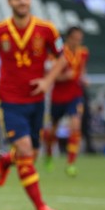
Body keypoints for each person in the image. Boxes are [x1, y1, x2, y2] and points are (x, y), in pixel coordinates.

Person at [0, 0, 68, 210]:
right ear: (9, 1)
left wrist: (47, 82)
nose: (22, 1)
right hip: (9, 99)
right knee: (24, 150)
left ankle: (5, 159)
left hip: (36, 101)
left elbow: (62, 59)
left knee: (30, 154)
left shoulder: (47, 30)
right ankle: (42, 208)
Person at [43, 26, 89, 176]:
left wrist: (83, 78)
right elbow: (50, 75)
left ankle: (70, 163)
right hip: (58, 96)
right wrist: (64, 77)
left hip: (75, 95)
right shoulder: (58, 53)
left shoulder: (83, 52)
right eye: (75, 38)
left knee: (75, 125)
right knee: (52, 131)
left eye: (79, 39)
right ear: (68, 38)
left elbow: (81, 70)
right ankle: (49, 155)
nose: (77, 41)